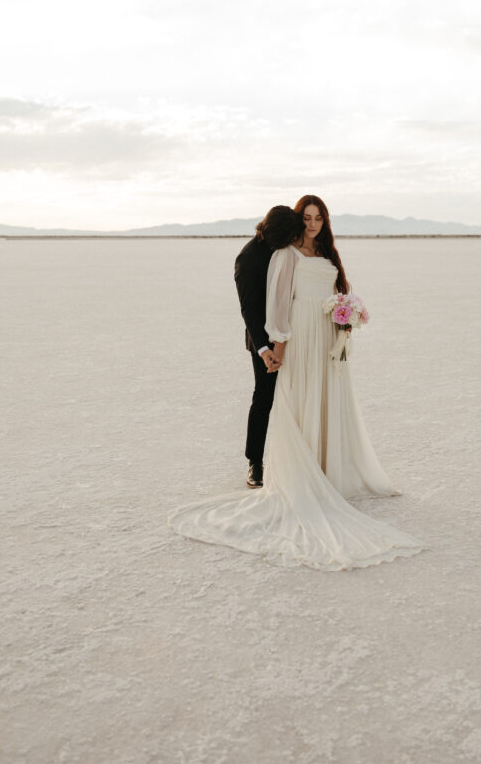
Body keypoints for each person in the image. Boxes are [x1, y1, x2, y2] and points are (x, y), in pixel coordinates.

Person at [169, 195, 425, 570]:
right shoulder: (259, 256)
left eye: (317, 218)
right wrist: (270, 348)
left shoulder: (323, 252)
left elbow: (335, 290)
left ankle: (326, 464)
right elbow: (256, 308)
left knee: (316, 397)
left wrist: (343, 321)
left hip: (318, 337)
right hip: (271, 339)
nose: (310, 225)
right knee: (267, 398)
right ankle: (256, 463)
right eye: (305, 219)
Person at [233, 205, 304, 489]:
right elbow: (248, 309)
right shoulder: (248, 258)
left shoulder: (287, 249)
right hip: (263, 342)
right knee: (263, 398)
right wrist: (264, 349)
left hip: (295, 336)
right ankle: (255, 462)